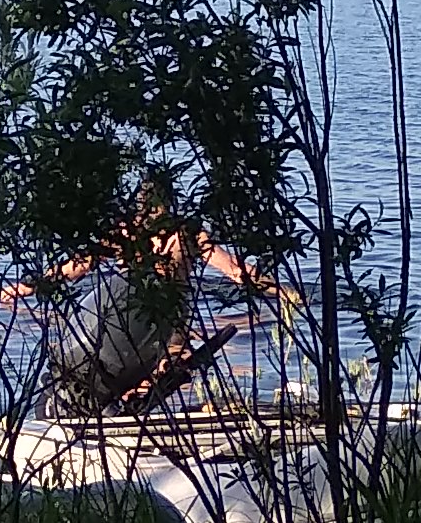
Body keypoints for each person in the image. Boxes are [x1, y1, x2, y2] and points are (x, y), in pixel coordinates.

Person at [17, 175, 274, 412]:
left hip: (144, 319)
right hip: (161, 316)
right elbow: (236, 271)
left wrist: (34, 285)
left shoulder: (138, 233)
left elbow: (80, 264)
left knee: (158, 371)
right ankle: (155, 415)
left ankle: (146, 416)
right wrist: (281, 292)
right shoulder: (178, 233)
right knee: (164, 370)